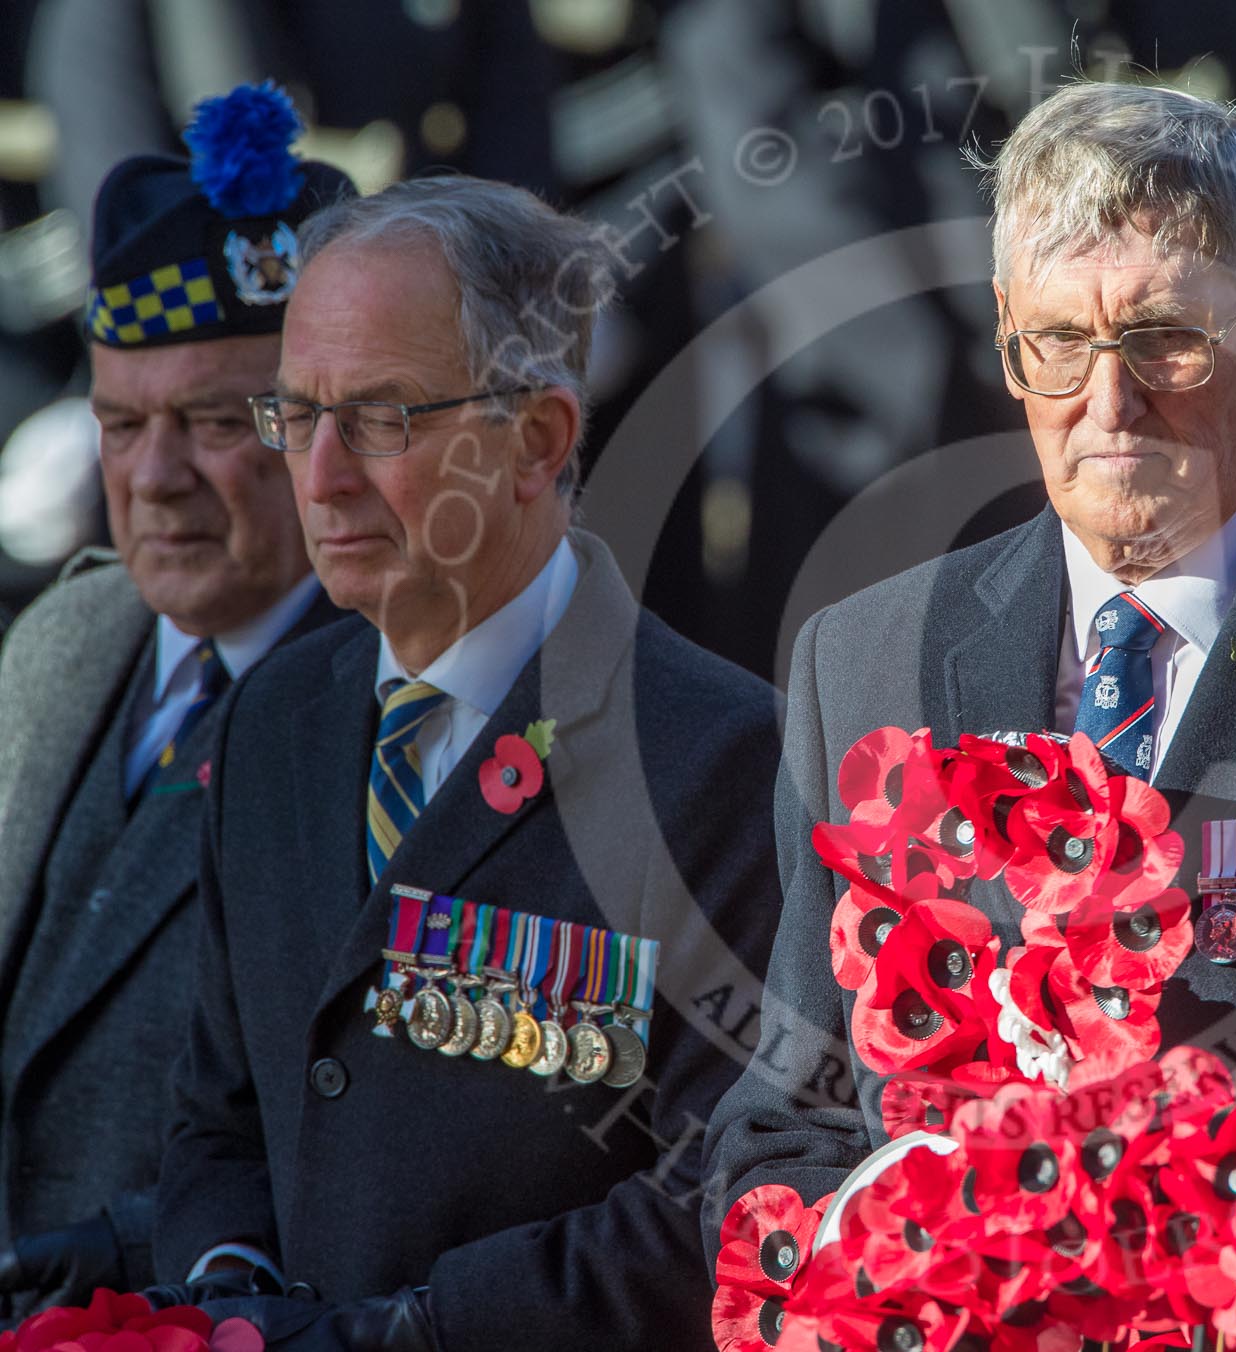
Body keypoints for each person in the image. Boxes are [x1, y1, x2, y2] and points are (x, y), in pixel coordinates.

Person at [703, 80, 1236, 1236]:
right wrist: (879, 1239)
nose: (1109, 402)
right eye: (1061, 344)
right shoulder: (863, 658)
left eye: (1167, 341)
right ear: (1005, 338)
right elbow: (785, 1124)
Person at [148, 175, 782, 1350]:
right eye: (295, 415)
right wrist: (231, 1291)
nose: (322, 475)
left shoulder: (721, 759)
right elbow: (220, 1118)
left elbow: (721, 1203)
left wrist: (407, 1333)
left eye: (383, 418)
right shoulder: (276, 719)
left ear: (536, 439)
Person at [0, 84, 350, 1316]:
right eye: (119, 421)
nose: (154, 477)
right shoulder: (63, 637)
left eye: (215, 419)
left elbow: (383, 1154)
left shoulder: (397, 703)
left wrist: (118, 1256)